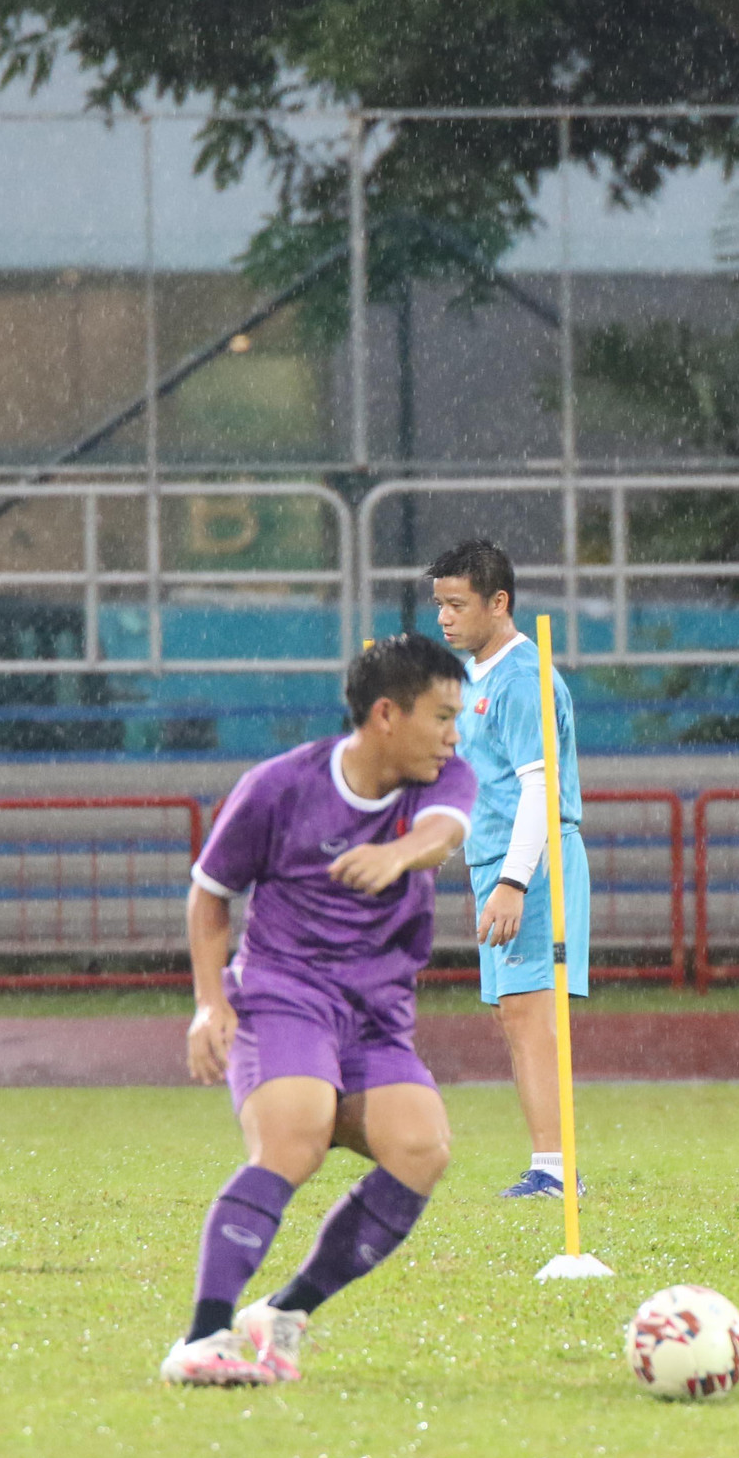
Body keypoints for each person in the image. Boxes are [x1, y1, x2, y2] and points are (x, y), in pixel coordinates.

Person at [160, 634, 478, 1386]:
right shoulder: (278, 786)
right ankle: (203, 1336)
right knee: (297, 1134)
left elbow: (443, 835)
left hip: (377, 1014)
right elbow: (210, 893)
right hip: (283, 994)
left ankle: (285, 1310)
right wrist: (210, 1004)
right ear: (386, 714)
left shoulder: (444, 779)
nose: (453, 736)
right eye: (441, 716)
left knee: (422, 1148)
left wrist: (398, 855)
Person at [428, 539, 591, 1199]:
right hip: (495, 860)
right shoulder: (477, 680)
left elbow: (538, 789)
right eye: (438, 604)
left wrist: (514, 882)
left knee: (529, 1013)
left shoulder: (523, 676)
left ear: (499, 603)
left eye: (457, 604)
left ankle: (554, 1168)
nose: (444, 618)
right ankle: (549, 1163)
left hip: (533, 864)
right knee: (513, 1014)